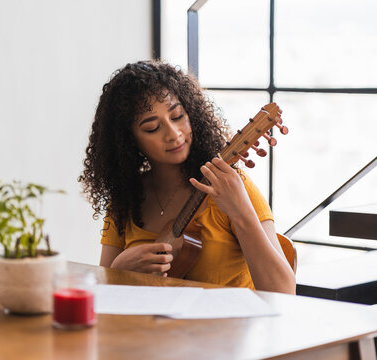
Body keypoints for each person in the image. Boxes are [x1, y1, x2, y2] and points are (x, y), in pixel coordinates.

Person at [78, 60, 295, 294]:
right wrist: (119, 269)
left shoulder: (230, 184)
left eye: (178, 116)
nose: (174, 134)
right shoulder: (126, 199)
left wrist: (241, 212)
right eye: (152, 128)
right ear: (128, 141)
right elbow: (102, 295)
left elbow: (284, 292)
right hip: (147, 329)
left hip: (227, 328)